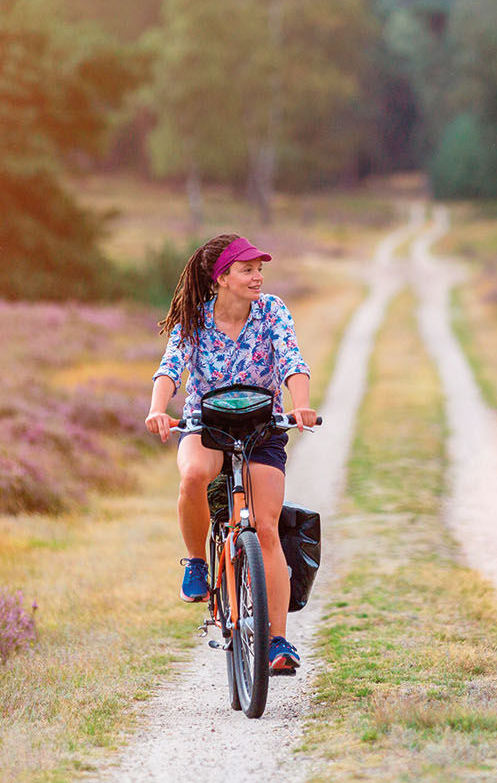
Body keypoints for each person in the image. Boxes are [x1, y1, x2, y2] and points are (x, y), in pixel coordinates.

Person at [146, 233, 317, 674]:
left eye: (260, 269)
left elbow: (292, 359)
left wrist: (299, 404)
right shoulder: (194, 318)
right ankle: (198, 564)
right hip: (208, 427)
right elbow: (171, 367)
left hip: (263, 427)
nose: (258, 277)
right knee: (192, 478)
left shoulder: (272, 310)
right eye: (247, 269)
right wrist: (157, 410)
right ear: (221, 277)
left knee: (266, 529)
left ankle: (277, 641)